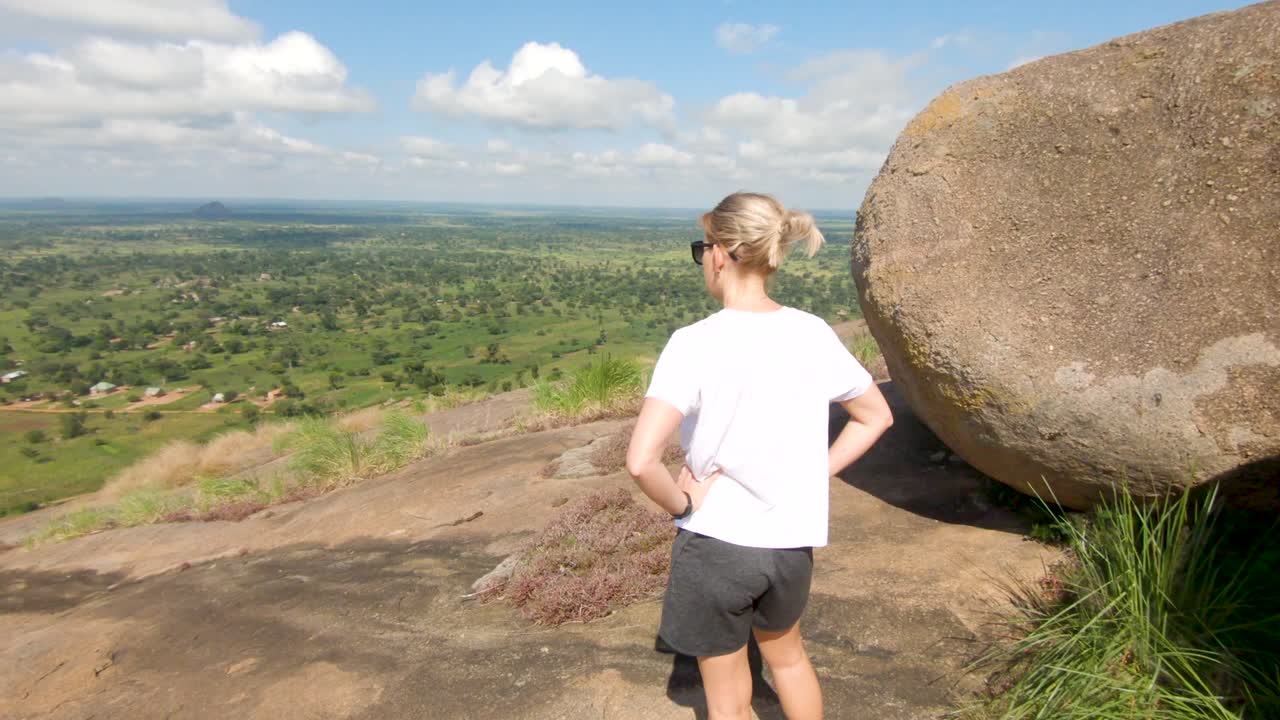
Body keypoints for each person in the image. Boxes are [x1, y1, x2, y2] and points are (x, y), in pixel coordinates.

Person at [626, 192, 894, 720]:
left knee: (728, 699)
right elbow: (876, 416)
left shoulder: (694, 342)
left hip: (718, 543)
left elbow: (641, 460)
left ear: (719, 253)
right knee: (789, 659)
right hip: (791, 543)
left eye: (701, 248)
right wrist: (815, 474)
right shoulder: (812, 332)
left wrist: (683, 506)